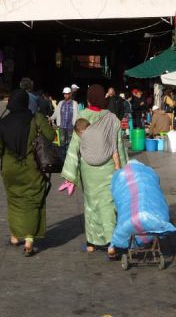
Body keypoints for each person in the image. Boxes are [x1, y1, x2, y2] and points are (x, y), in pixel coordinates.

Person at [0, 89, 55, 256]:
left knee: (14, 201)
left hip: (10, 169)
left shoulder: (2, 123)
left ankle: (15, 235)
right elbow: (50, 136)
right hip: (32, 168)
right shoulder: (36, 118)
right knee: (33, 200)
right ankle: (29, 239)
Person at [60, 84, 128, 258]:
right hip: (109, 168)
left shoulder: (82, 116)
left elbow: (74, 147)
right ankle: (112, 243)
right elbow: (118, 146)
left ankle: (91, 243)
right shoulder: (112, 118)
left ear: (89, 99)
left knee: (91, 205)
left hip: (88, 169)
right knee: (108, 204)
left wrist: (70, 176)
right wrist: (125, 170)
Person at [51, 87, 78, 156]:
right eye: (64, 94)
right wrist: (51, 118)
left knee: (69, 143)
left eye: (67, 94)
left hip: (70, 127)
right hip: (62, 126)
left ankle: (68, 157)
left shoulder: (74, 103)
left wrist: (75, 125)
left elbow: (77, 115)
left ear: (70, 94)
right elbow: (56, 113)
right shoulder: (60, 103)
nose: (66, 95)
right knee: (62, 142)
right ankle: (62, 158)